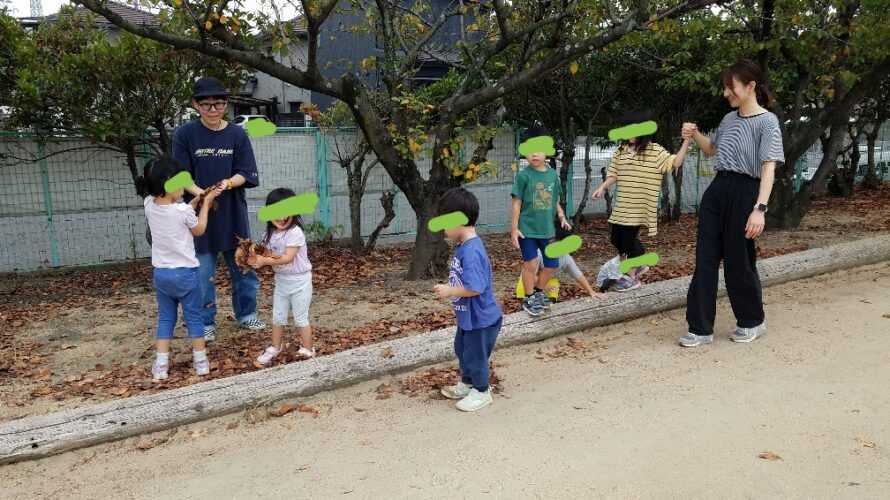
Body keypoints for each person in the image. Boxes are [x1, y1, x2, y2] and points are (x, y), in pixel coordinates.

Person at [679, 59, 784, 348]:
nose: (726, 93)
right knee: (706, 259)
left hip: (745, 192)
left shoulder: (767, 122)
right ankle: (700, 327)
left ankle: (752, 321)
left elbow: (768, 168)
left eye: (731, 87)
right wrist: (694, 134)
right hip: (718, 189)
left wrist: (759, 209)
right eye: (725, 87)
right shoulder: (728, 120)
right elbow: (713, 150)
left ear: (750, 86)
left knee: (739, 261)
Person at [173, 76, 264, 342]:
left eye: (219, 104)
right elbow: (180, 176)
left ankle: (247, 315)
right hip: (200, 217)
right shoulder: (184, 135)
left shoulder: (237, 134)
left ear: (226, 104)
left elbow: (246, 173)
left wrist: (225, 184)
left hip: (234, 214)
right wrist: (202, 194)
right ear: (195, 104)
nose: (213, 110)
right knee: (202, 276)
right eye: (207, 104)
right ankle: (206, 322)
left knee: (244, 268)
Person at [137, 156, 224, 381]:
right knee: (194, 317)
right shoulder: (182, 212)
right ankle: (201, 361)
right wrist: (203, 205)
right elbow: (199, 229)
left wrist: (192, 203)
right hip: (185, 275)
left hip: (162, 275)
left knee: (166, 319)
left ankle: (161, 364)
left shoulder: (148, 206)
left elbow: (176, 211)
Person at [592, 109, 694, 292]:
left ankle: (632, 278)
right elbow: (613, 174)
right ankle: (639, 261)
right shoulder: (621, 151)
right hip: (622, 206)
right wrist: (602, 187)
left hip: (638, 208)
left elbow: (675, 162)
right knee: (616, 239)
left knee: (628, 242)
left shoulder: (654, 151)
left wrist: (687, 140)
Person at [434, 188, 503, 412]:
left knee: (475, 355)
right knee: (461, 349)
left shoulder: (471, 251)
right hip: (469, 317)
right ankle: (468, 383)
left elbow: (475, 288)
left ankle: (482, 391)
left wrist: (450, 290)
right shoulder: (465, 247)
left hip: (481, 319)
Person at [511, 124, 572, 317]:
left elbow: (553, 200)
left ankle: (537, 292)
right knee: (530, 264)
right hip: (527, 230)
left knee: (552, 264)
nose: (534, 155)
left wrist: (561, 216)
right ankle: (529, 297)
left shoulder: (553, 176)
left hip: (547, 230)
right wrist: (514, 229)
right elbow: (516, 204)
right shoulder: (523, 176)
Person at [250, 188, 316, 366]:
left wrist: (265, 260)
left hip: (300, 281)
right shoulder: (267, 235)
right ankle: (275, 347)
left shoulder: (295, 233)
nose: (281, 217)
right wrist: (256, 259)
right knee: (278, 316)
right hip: (282, 282)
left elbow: (287, 258)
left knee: (300, 317)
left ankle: (308, 349)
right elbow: (268, 256)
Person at [515, 221, 606, 301]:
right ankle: (525, 305)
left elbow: (578, 275)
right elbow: (529, 274)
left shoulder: (566, 259)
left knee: (552, 291)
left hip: (547, 281)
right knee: (523, 287)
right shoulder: (538, 254)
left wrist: (591, 292)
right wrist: (542, 286)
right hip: (531, 279)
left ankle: (547, 306)